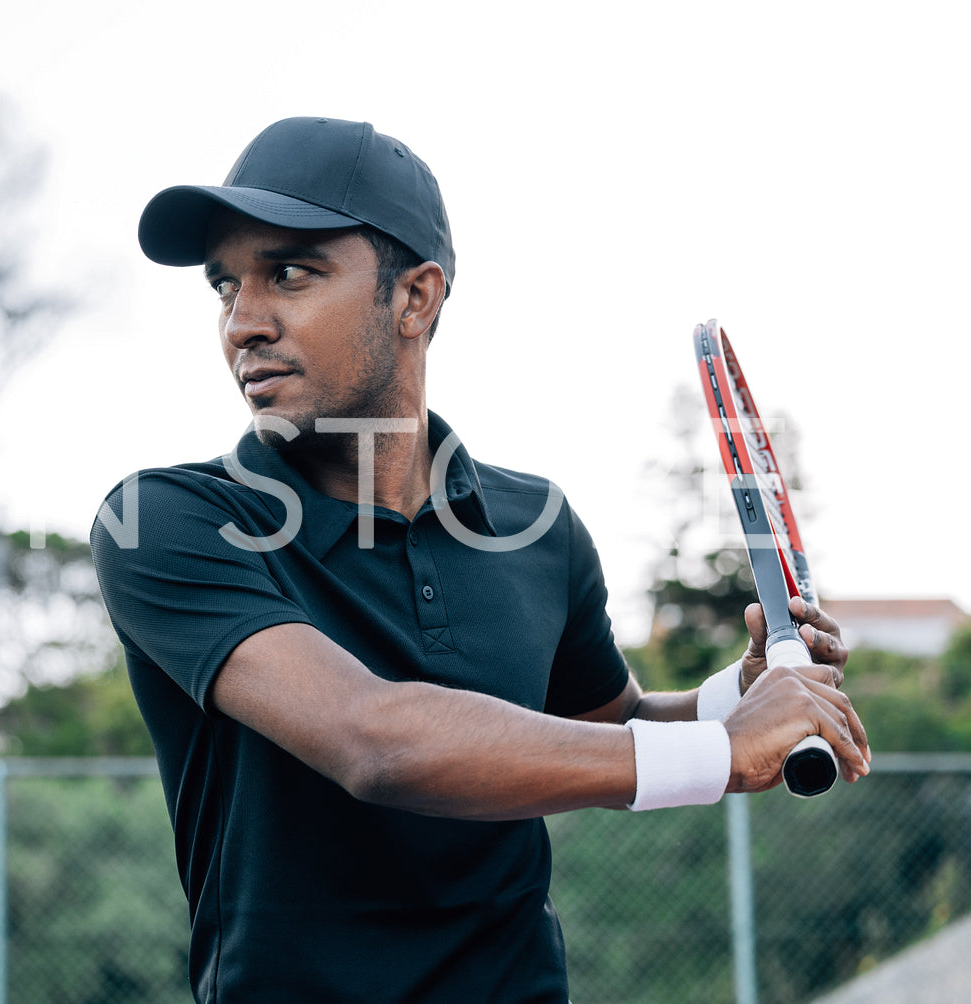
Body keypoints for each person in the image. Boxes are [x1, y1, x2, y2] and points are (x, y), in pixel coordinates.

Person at [90, 116, 868, 1004]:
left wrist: (742, 693)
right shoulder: (164, 520)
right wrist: (722, 751)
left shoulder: (535, 525)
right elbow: (372, 739)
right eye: (224, 285)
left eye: (290, 273)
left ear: (414, 298)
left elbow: (611, 725)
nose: (242, 323)